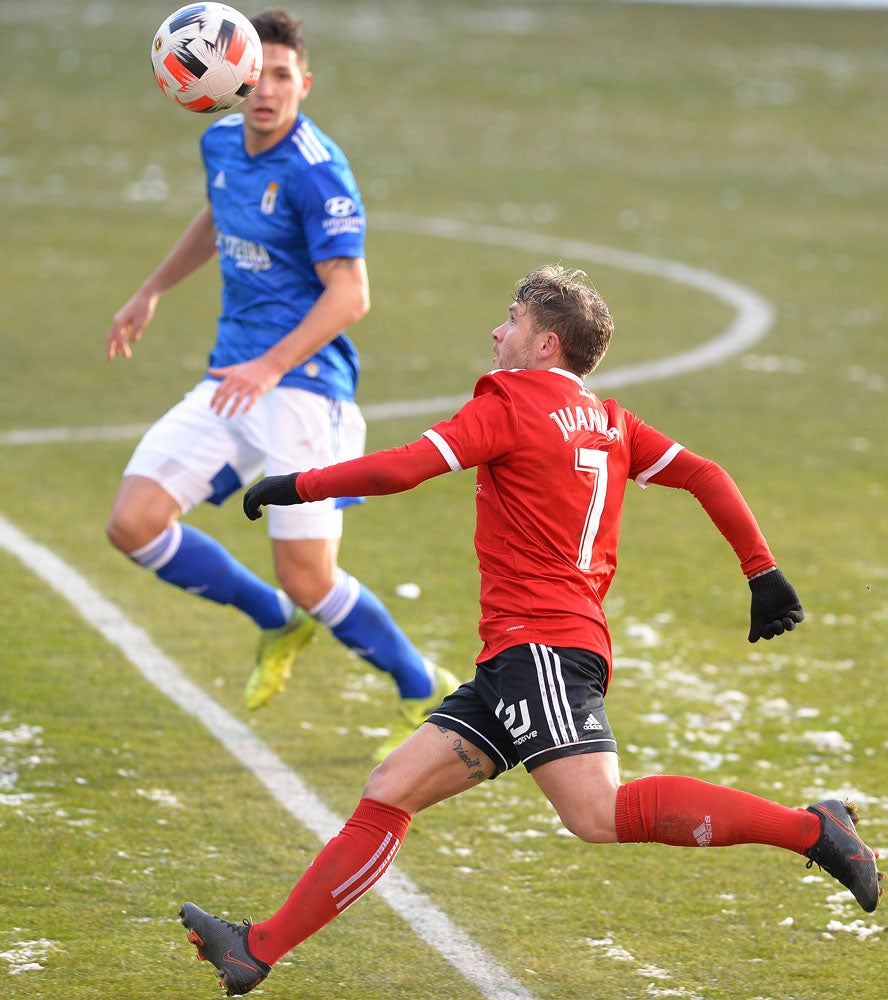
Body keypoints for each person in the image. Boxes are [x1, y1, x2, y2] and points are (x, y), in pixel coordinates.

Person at [179, 264, 881, 997]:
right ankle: (255, 950)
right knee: (391, 789)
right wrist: (761, 572)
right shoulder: (611, 421)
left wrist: (297, 484)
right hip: (530, 653)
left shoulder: (509, 403)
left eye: (509, 319)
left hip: (539, 646)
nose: (496, 331)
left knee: (596, 812)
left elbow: (404, 469)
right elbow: (706, 474)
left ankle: (813, 830)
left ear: (545, 342)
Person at [104, 9, 456, 745]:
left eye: (282, 76)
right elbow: (218, 213)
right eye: (255, 74)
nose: (266, 89)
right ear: (231, 78)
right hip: (233, 379)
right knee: (132, 524)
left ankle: (421, 686)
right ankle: (275, 621)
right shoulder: (220, 140)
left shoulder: (317, 173)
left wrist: (271, 366)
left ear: (305, 82)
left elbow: (351, 294)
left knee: (310, 574)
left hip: (303, 389)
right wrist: (152, 289)